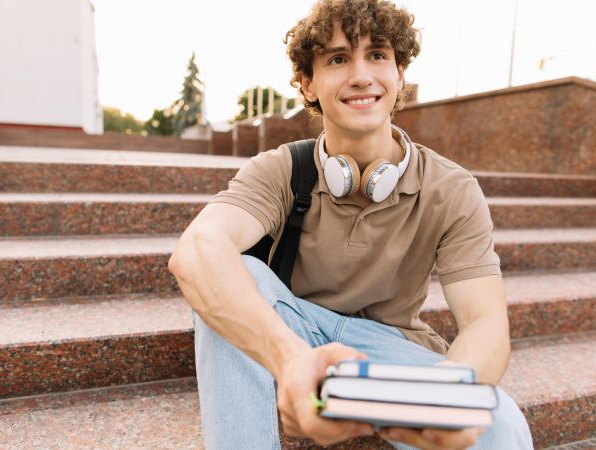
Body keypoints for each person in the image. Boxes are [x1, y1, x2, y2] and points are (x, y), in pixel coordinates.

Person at [168, 0, 534, 448]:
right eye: (338, 59)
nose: (361, 75)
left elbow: (484, 321)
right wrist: (289, 360)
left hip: (391, 346)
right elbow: (198, 250)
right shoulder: (279, 169)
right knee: (233, 270)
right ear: (308, 83)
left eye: (378, 55)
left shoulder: (452, 188)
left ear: (400, 74)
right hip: (294, 332)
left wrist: (458, 390)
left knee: (501, 423)